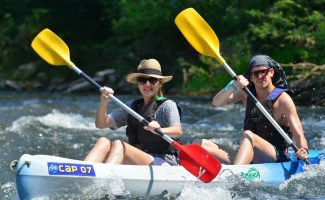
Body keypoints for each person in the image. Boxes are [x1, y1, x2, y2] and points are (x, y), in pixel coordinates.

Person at [194, 55, 309, 164]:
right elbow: (216, 102)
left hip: (276, 156)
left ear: (271, 72)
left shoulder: (283, 99)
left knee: (249, 135)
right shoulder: (246, 94)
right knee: (199, 144)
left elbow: (299, 134)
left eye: (263, 71)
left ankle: (236, 174)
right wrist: (233, 85)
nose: (259, 76)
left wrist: (303, 150)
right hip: (250, 155)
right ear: (251, 78)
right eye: (255, 73)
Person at [84, 59, 182, 166]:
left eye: (152, 80)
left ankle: (106, 179)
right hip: (139, 159)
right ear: (138, 84)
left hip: (164, 161)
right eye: (142, 80)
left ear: (160, 83)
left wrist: (160, 130)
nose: (147, 84)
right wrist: (104, 102)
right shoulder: (132, 106)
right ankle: (83, 172)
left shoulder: (168, 105)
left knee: (119, 145)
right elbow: (101, 124)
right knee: (103, 142)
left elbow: (177, 131)